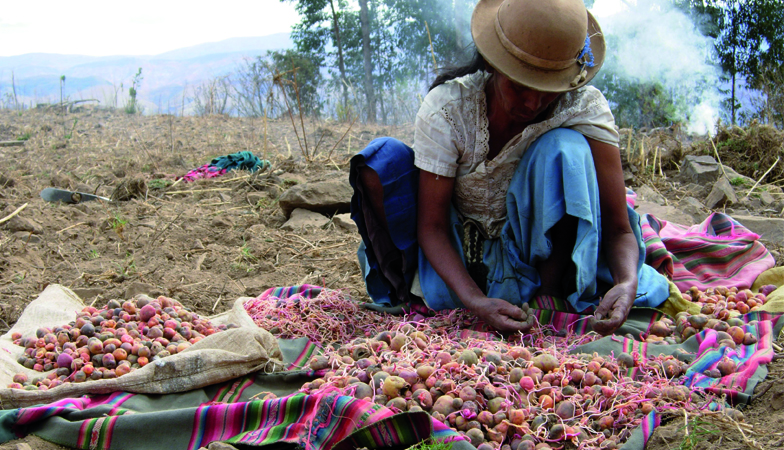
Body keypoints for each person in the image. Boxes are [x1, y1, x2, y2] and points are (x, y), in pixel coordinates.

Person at [349, 0, 670, 335]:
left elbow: (619, 228)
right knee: (381, 159)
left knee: (565, 148)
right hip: (457, 248)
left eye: (548, 90)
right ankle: (430, 291)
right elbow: (432, 227)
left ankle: (549, 292)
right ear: (493, 64)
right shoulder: (450, 108)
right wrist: (475, 301)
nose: (533, 103)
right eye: (519, 86)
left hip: (537, 253)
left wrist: (626, 281)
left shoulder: (583, 108)